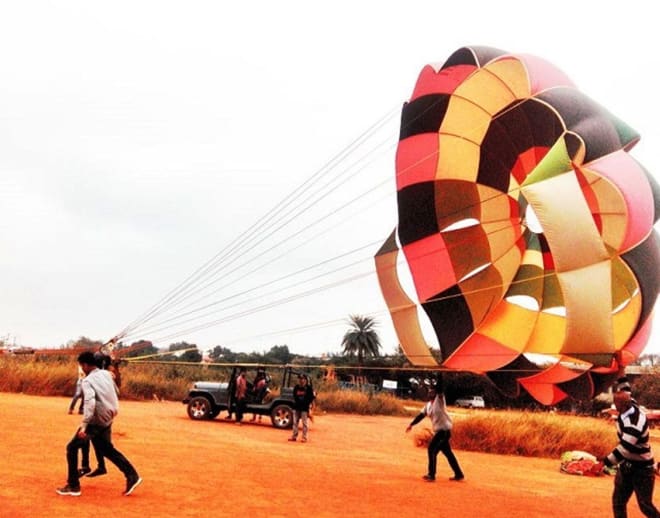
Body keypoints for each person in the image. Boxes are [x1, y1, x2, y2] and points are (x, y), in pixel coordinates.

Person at [56, 351, 141, 497]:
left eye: (82, 366)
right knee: (106, 449)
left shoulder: (87, 381)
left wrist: (84, 424)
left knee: (71, 447)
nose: (82, 369)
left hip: (97, 419)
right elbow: (116, 390)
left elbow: (90, 402)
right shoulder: (106, 374)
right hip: (109, 416)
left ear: (86, 365)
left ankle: (73, 485)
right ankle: (132, 475)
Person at [592, 376, 659, 518]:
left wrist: (603, 463)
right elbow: (626, 389)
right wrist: (620, 371)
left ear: (620, 406)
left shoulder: (634, 423)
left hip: (642, 470)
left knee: (645, 505)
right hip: (627, 466)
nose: (614, 406)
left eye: (615, 403)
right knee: (618, 502)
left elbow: (624, 449)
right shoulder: (630, 404)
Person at [405, 378, 464, 482]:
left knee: (431, 449)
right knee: (448, 453)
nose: (430, 392)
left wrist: (440, 373)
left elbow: (440, 387)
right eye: (429, 391)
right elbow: (421, 416)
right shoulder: (428, 406)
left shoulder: (440, 400)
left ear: (436, 392)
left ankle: (431, 475)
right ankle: (459, 474)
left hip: (444, 432)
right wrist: (411, 424)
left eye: (432, 391)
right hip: (439, 432)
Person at [288, 374, 315, 443]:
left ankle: (304, 437)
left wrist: (311, 409)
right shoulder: (296, 387)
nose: (301, 380)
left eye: (303, 379)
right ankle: (294, 436)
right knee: (295, 423)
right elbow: (294, 397)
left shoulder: (309, 388)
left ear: (305, 380)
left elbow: (311, 399)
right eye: (300, 379)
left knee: (304, 423)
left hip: (304, 408)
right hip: (296, 407)